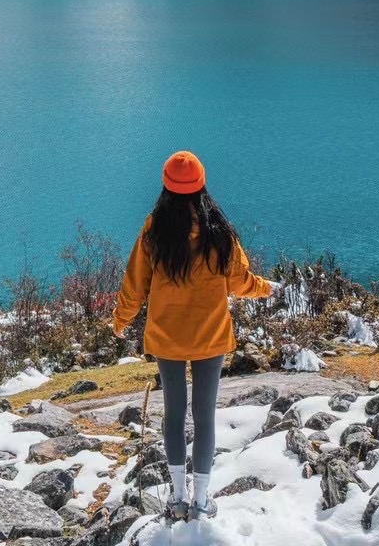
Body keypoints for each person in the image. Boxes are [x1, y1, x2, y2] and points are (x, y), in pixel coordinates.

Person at [111, 151, 276, 521]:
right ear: (201, 184)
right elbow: (240, 282)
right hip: (211, 337)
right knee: (203, 416)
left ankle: (178, 499)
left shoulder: (154, 230)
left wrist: (120, 320)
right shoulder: (219, 231)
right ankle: (202, 501)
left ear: (166, 186)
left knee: (173, 414)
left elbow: (134, 285)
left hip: (167, 338)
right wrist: (266, 288)